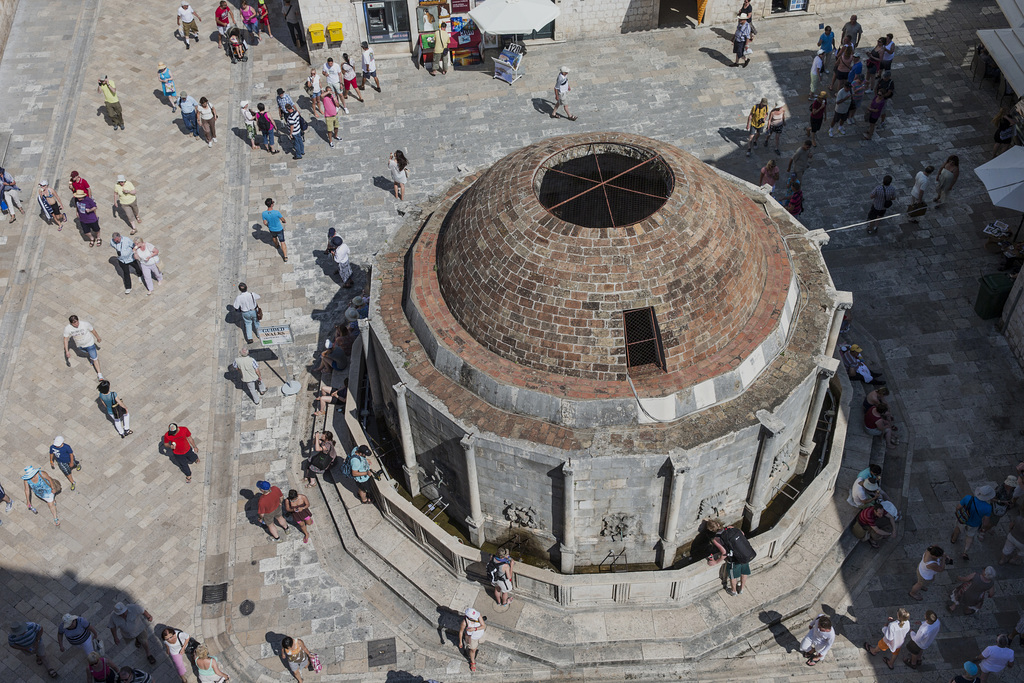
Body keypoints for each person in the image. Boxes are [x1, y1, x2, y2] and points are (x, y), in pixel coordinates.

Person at [705, 518, 757, 595]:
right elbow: (742, 533)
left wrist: (716, 561)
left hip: (734, 560)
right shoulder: (730, 527)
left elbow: (724, 552)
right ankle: (742, 589)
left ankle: (733, 591)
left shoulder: (716, 539)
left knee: (733, 576)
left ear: (711, 530)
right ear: (718, 524)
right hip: (744, 554)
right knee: (744, 572)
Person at [951, 486, 995, 561]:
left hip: (963, 520)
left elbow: (958, 507)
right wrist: (983, 527)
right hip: (974, 524)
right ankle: (965, 551)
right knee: (970, 537)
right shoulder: (988, 507)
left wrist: (959, 514)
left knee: (957, 529)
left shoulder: (968, 498)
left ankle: (953, 540)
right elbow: (986, 522)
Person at [63, 314, 104, 378]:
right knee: (86, 353)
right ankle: (91, 357)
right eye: (74, 323)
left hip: (90, 344)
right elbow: (65, 339)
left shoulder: (85, 324)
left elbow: (93, 330)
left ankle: (100, 375)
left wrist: (98, 337)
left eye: (77, 322)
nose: (76, 324)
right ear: (71, 323)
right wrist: (67, 351)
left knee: (95, 358)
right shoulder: (68, 328)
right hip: (80, 346)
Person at [998, 496, 1024, 564]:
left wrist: (1010, 530)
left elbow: (1011, 525)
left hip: (1012, 536)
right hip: (1022, 543)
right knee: (1022, 552)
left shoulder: (1018, 518)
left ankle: (1002, 560)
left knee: (1006, 549)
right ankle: (1014, 560)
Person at [262, 197, 288, 262]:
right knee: (282, 242)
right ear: (271, 204)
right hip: (279, 229)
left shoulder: (264, 213)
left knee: (274, 237)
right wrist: (284, 221)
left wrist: (268, 225)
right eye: (273, 202)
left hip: (272, 229)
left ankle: (276, 245)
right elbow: (282, 219)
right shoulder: (276, 212)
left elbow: (265, 222)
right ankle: (285, 256)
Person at [459, 608, 485, 672]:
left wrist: (474, 629)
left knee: (474, 648)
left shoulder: (478, 615)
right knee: (473, 650)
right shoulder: (464, 622)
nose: (476, 617)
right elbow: (461, 631)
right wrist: (460, 642)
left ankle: (472, 650)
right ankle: (472, 662)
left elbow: (483, 626)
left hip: (479, 634)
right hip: (471, 638)